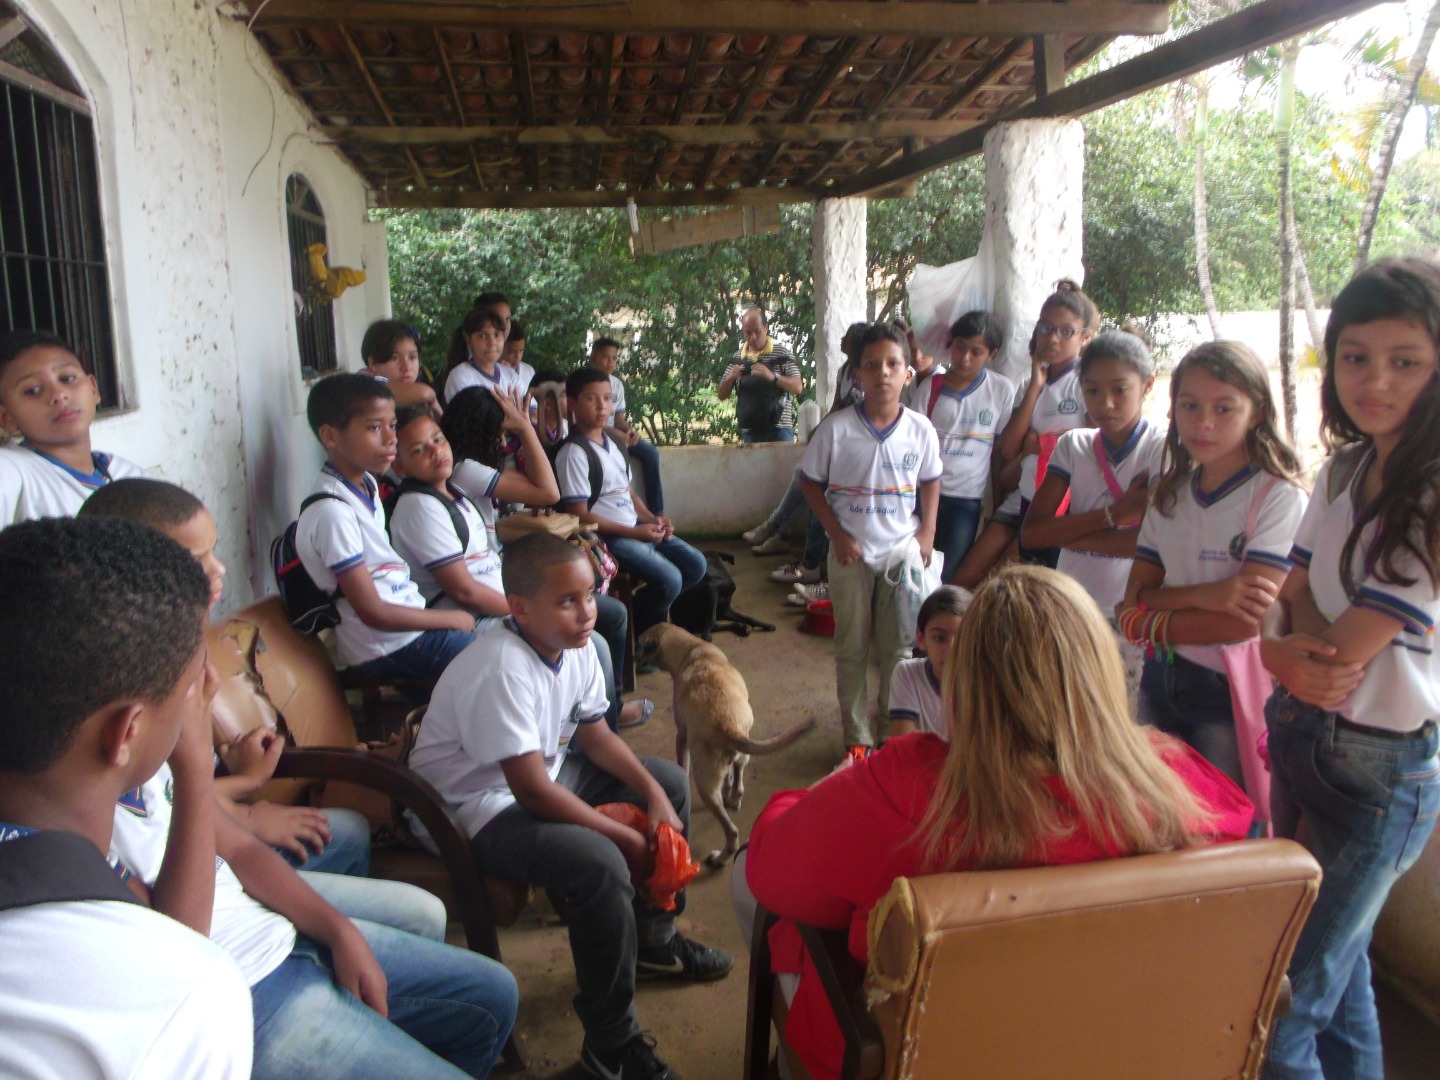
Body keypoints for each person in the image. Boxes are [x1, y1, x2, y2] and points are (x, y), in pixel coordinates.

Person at [742, 565, 1254, 1080]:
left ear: (966, 681)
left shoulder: (908, 786)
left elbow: (769, 867)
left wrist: (811, 795)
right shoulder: (1181, 783)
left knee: (753, 889)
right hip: (1113, 1046)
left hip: (914, 1056)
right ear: (1099, 671)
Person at [408, 534, 732, 1080]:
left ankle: (654, 941)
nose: (586, 613)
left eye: (590, 594)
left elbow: (595, 735)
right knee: (599, 865)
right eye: (567, 601)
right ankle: (612, 1048)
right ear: (519, 608)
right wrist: (624, 838)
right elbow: (531, 791)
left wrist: (652, 796)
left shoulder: (573, 647)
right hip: (473, 807)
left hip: (542, 775)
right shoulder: (501, 667)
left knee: (671, 783)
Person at [1258, 257, 1440, 1080]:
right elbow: (1280, 594)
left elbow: (1336, 652)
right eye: (1355, 355)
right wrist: (1270, 646)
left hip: (1378, 774)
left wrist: (1290, 643)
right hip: (1305, 736)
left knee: (1284, 1000)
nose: (1375, 380)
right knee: (1346, 972)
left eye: (1406, 360)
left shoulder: (1431, 494)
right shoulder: (1344, 470)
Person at [0, 516, 254, 1080]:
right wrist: (196, 763)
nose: (200, 697)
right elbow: (166, 953)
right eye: (191, 688)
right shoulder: (182, 992)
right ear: (127, 732)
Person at [1117, 342, 1305, 789]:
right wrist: (1209, 596)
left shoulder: (1277, 497)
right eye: (1190, 405)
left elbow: (1244, 624)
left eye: (1224, 409)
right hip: (1160, 675)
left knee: (1227, 824)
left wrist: (1149, 616)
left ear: (1257, 412)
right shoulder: (1168, 492)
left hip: (1230, 685)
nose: (1203, 423)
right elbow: (1130, 600)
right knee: (1160, 807)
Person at [438, 388, 651, 730]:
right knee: (598, 631)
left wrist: (525, 429)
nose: (504, 441)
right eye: (502, 432)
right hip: (491, 594)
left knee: (610, 613)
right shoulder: (467, 470)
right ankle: (601, 721)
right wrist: (525, 428)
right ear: (483, 431)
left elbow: (540, 484)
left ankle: (604, 707)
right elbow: (549, 491)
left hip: (499, 574)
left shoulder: (469, 466)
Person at [798, 322, 941, 754]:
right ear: (856, 374)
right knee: (852, 649)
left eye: (892, 364)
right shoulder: (836, 430)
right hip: (850, 555)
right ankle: (858, 740)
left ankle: (891, 736)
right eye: (871, 365)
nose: (882, 373)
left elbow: (932, 480)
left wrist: (926, 533)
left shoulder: (920, 430)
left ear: (908, 373)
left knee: (899, 649)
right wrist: (837, 536)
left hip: (901, 554)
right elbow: (809, 483)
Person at [296, 373, 476, 693]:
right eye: (374, 428)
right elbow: (372, 612)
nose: (391, 439)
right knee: (491, 665)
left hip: (405, 631)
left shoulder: (366, 486)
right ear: (330, 436)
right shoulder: (332, 513)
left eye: (392, 425)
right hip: (384, 647)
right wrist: (450, 619)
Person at [1024, 329, 1164, 627]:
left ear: (1147, 385)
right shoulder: (1073, 445)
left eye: (1120, 390)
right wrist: (1117, 514)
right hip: (1070, 601)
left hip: (1130, 608)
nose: (1105, 403)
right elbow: (1033, 534)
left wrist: (1067, 533)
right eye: (1092, 391)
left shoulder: (1160, 448)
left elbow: (1153, 542)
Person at [559, 366, 705, 635]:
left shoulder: (613, 443)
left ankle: (637, 619)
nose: (602, 406)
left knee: (696, 565)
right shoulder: (574, 453)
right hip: (609, 540)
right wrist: (635, 532)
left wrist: (652, 519)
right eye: (592, 398)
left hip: (635, 528)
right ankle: (643, 635)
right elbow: (578, 515)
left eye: (607, 398)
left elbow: (628, 492)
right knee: (670, 579)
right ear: (572, 403)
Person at [997, 280, 1099, 568]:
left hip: (1069, 505)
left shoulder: (1086, 383)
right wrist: (1035, 387)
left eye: (1066, 332)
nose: (1053, 339)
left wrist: (1040, 443)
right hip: (1032, 498)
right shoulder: (1030, 384)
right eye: (1046, 328)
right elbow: (1009, 448)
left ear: (1086, 337)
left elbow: (1095, 440)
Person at [0, 330, 146, 524]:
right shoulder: (13, 471)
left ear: (93, 389)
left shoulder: (127, 474)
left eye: (67, 379)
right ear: (6, 417)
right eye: (33, 390)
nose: (59, 394)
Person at [921, 311, 1016, 581]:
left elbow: (998, 452)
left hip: (966, 501)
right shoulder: (931, 387)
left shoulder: (1001, 390)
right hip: (923, 494)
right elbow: (912, 444)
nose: (964, 358)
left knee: (948, 576)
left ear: (992, 353)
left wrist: (996, 505)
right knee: (917, 569)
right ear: (951, 345)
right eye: (960, 347)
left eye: (976, 352)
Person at [591, 336, 664, 513]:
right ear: (593, 357)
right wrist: (618, 434)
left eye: (614, 358)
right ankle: (622, 511)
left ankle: (657, 511)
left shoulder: (617, 384)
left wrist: (629, 430)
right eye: (605, 357)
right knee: (620, 452)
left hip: (614, 432)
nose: (610, 362)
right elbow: (589, 421)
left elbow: (619, 419)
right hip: (593, 433)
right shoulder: (584, 383)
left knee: (650, 453)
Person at [887, 584, 970, 739]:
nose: (951, 650)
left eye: (962, 638)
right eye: (939, 638)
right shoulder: (908, 674)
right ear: (921, 638)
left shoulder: (986, 682)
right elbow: (903, 750)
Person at [718, 306, 804, 444]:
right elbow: (721, 395)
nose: (752, 337)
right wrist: (730, 378)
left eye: (757, 331)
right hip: (751, 431)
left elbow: (798, 387)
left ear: (766, 328)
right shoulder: (736, 359)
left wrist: (773, 377)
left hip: (780, 430)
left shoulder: (782, 354)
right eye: (748, 333)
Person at [361, 318, 442, 417]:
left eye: (412, 357)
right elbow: (424, 393)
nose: (407, 367)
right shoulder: (363, 386)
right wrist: (433, 401)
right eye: (395, 358)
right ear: (373, 363)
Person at [443, 307, 525, 405]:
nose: (492, 343)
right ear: (468, 339)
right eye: (482, 336)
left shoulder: (511, 376)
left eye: (497, 335)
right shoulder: (460, 376)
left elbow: (528, 411)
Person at [500, 317, 535, 395]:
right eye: (511, 352)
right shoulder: (495, 371)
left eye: (521, 351)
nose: (517, 356)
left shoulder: (529, 371)